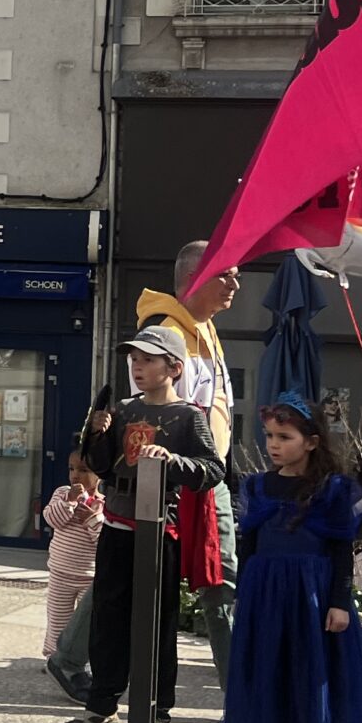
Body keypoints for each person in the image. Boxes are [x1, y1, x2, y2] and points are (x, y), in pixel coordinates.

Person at [62, 326, 227, 723]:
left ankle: (156, 713)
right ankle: (102, 707)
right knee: (107, 620)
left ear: (174, 368)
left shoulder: (189, 416)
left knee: (157, 623)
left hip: (159, 531)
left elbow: (213, 469)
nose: (137, 367)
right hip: (116, 524)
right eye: (134, 359)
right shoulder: (122, 409)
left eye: (148, 360)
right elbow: (101, 465)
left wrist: (172, 461)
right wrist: (97, 433)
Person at [221, 395, 362, 723]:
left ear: (311, 442)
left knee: (309, 673)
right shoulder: (258, 485)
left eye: (285, 437)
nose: (273, 445)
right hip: (266, 594)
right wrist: (243, 594)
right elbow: (249, 545)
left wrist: (338, 602)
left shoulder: (333, 489)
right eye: (270, 436)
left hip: (310, 596)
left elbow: (341, 550)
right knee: (269, 671)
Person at [136, 243, 242, 684]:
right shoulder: (168, 333)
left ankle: (68, 658)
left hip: (203, 473)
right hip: (184, 477)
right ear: (196, 277)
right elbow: (156, 413)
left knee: (202, 574)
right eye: (226, 275)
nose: (235, 285)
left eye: (236, 276)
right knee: (215, 575)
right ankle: (238, 683)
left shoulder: (204, 328)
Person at [41, 451, 104, 673]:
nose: (75, 475)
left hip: (89, 576)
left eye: (84, 470)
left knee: (86, 623)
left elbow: (104, 541)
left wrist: (92, 519)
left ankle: (82, 661)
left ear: (100, 473)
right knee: (57, 619)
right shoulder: (62, 493)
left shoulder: (104, 503)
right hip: (60, 572)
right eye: (71, 469)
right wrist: (68, 502)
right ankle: (53, 659)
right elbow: (52, 519)